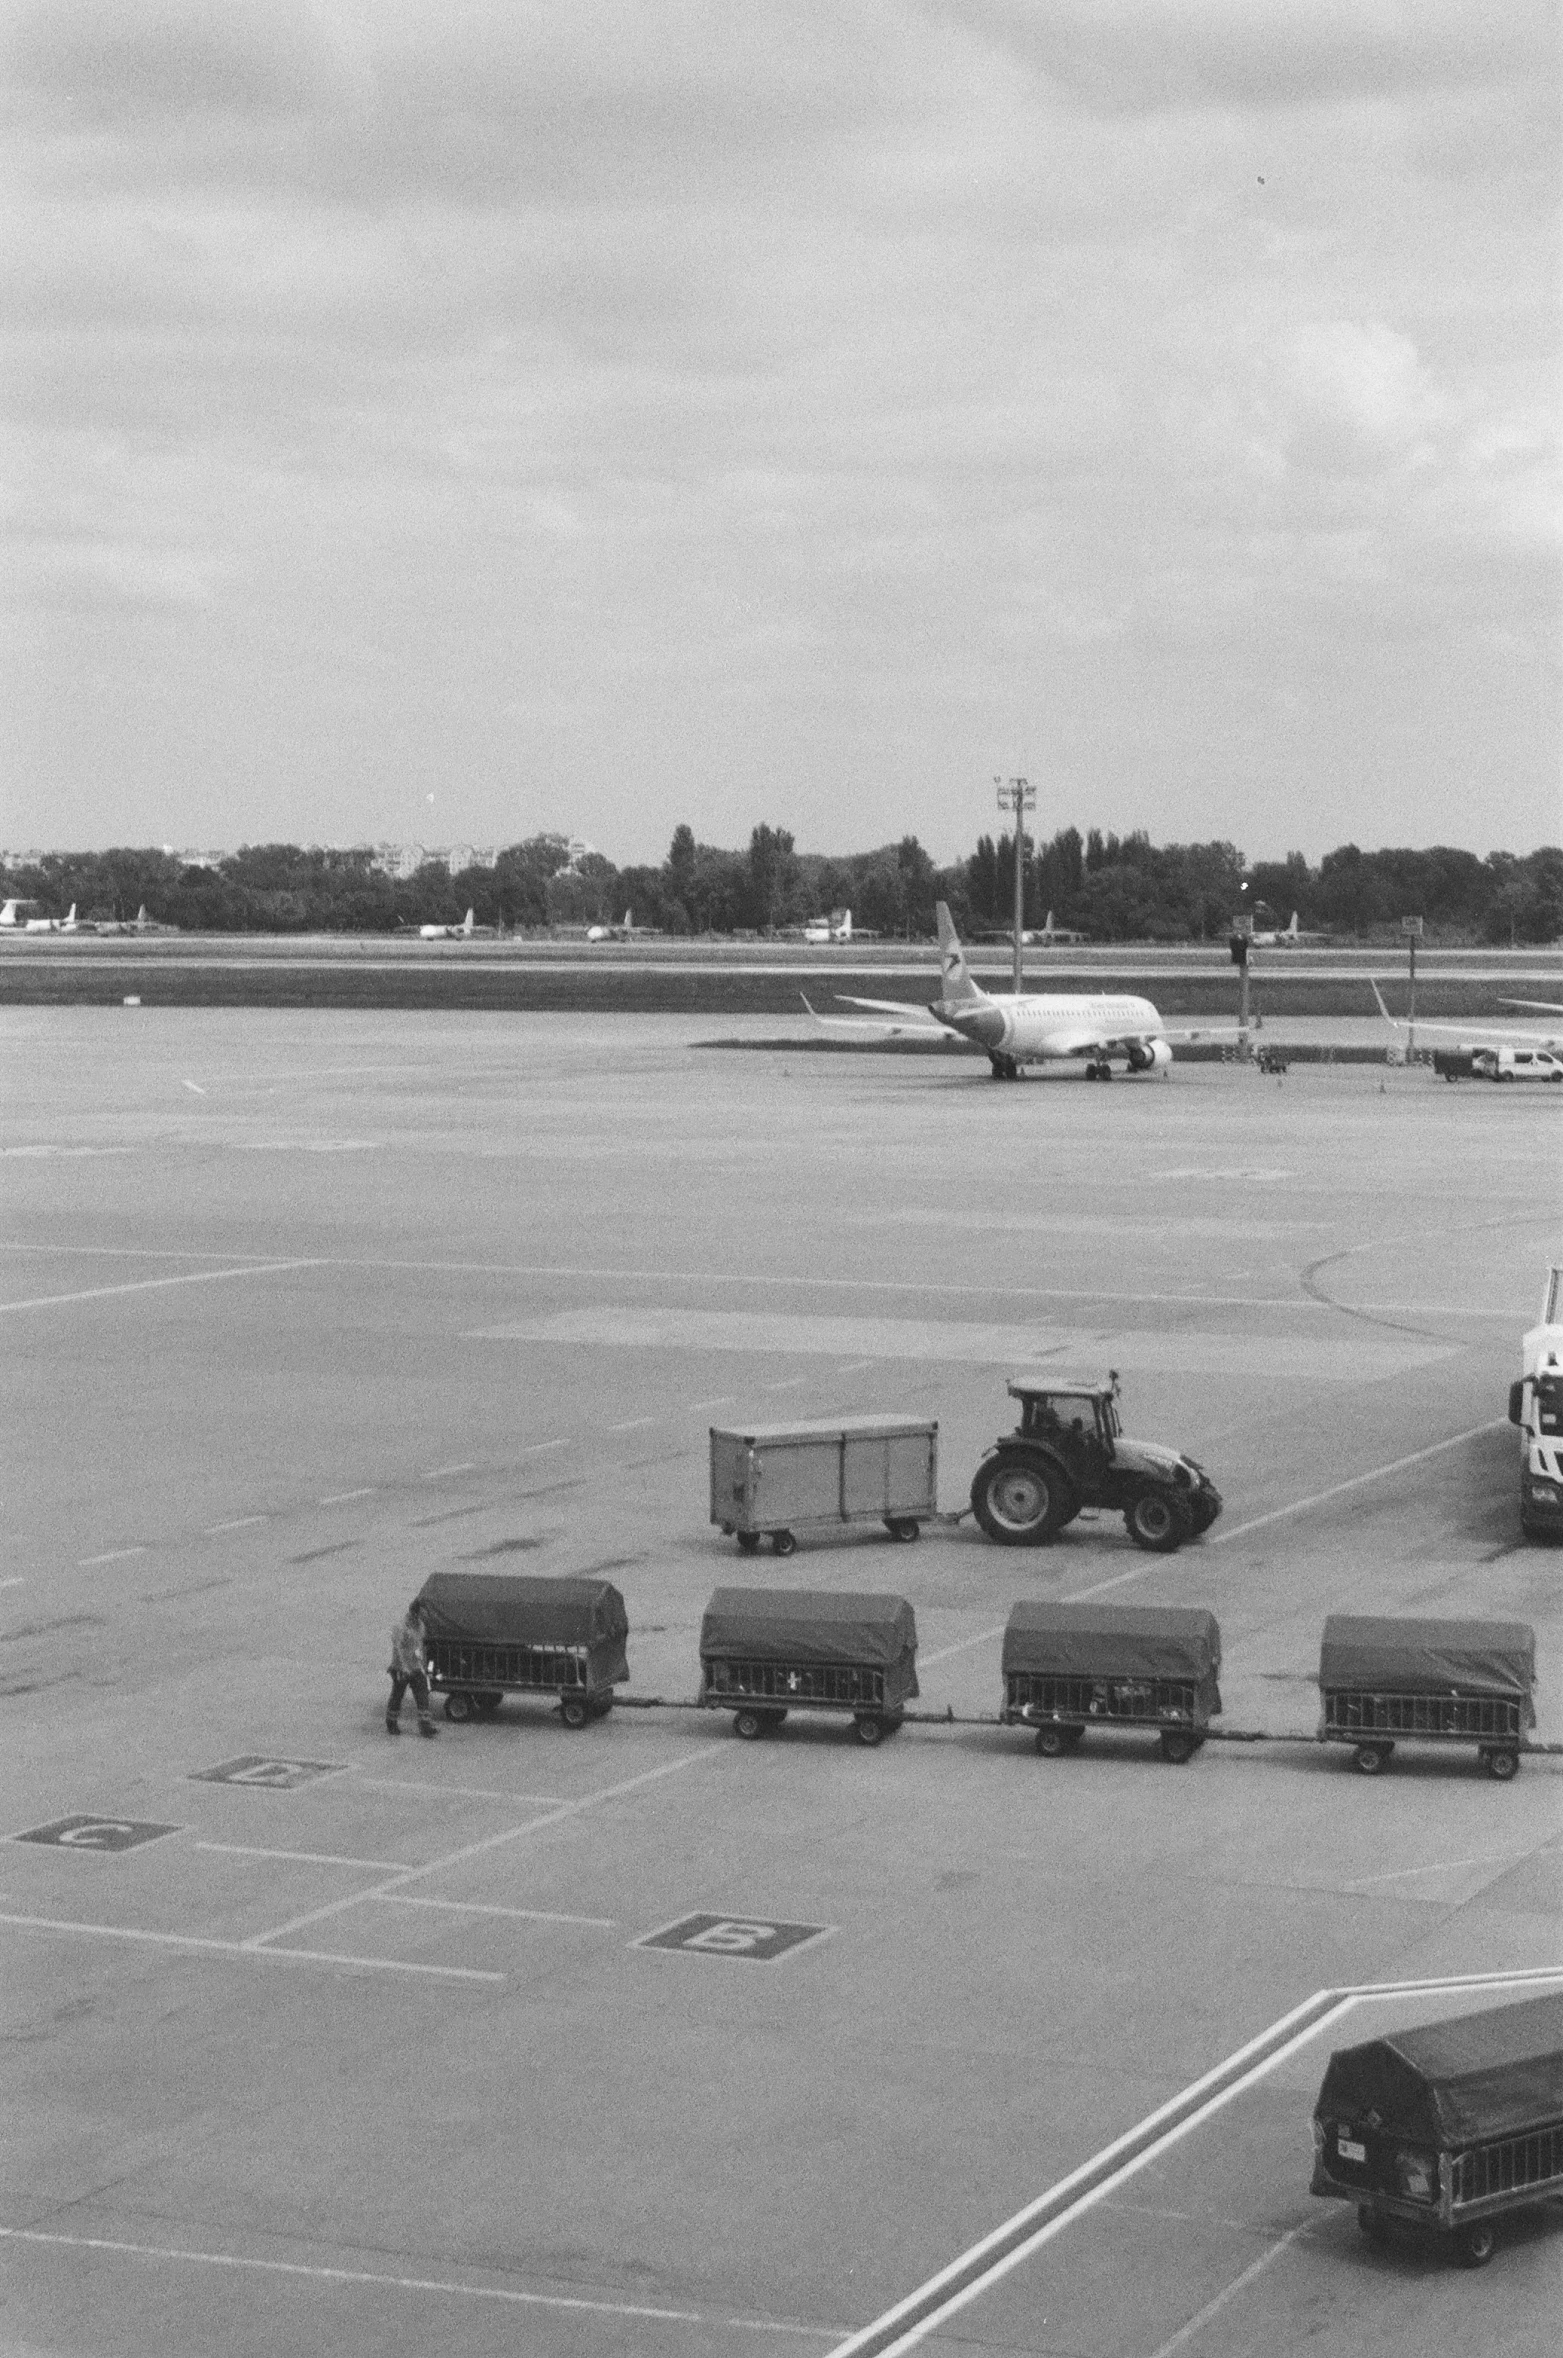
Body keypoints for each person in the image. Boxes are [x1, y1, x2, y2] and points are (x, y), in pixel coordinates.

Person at [387, 1598, 437, 1736]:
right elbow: (398, 1650)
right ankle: (391, 1723)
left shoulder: (420, 1626)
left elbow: (419, 1646)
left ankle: (425, 1726)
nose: (425, 1618)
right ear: (414, 1613)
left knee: (422, 1695)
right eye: (422, 1615)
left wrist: (421, 1664)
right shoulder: (401, 1627)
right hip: (400, 1668)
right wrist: (404, 1668)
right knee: (397, 1696)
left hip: (415, 1667)